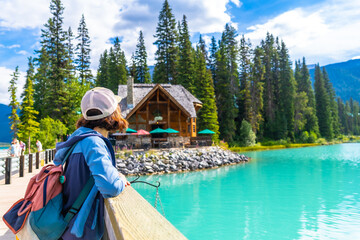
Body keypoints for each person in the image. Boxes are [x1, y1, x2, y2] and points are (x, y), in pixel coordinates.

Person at [53, 87, 130, 240]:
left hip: (69, 228)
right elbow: (110, 187)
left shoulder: (78, 139)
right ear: (112, 113)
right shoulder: (94, 143)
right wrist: (120, 179)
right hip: (82, 231)